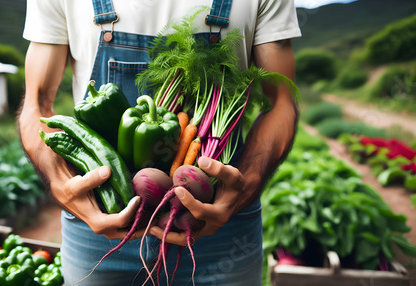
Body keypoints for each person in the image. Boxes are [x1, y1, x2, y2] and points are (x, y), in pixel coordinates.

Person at [18, 0, 301, 285]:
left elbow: (281, 103)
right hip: (100, 219)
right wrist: (60, 184)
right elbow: (37, 103)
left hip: (220, 224)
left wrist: (244, 188)